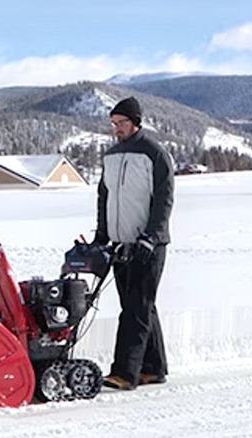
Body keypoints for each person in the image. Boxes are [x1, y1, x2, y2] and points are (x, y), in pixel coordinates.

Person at [92, 96, 175, 390]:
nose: (117, 128)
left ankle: (125, 373)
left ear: (136, 122)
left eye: (122, 122)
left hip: (147, 246)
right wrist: (101, 237)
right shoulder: (111, 156)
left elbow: (164, 200)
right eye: (114, 123)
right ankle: (154, 368)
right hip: (120, 244)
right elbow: (105, 198)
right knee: (139, 306)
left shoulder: (155, 154)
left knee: (135, 309)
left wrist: (151, 237)